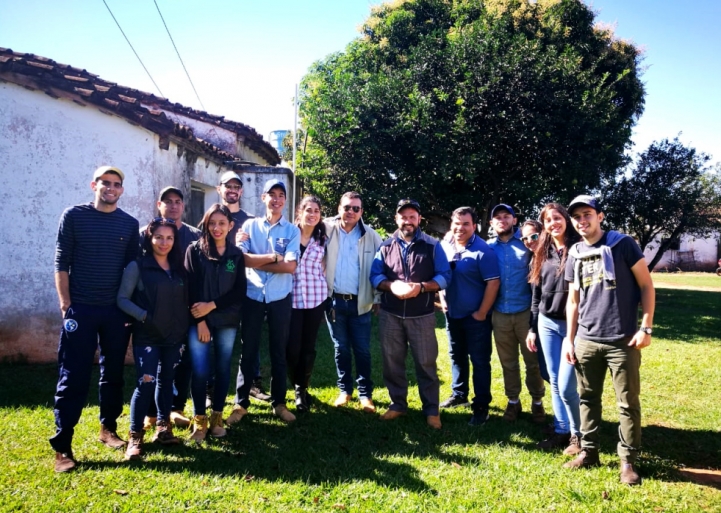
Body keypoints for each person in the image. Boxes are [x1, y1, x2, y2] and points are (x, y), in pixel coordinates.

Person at [562, 195, 655, 486]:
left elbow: (646, 285)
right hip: (586, 340)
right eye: (576, 216)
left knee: (627, 403)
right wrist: (569, 338)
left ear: (600, 216)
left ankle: (628, 461)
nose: (582, 220)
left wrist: (646, 327)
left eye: (587, 214)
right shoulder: (574, 252)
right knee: (587, 399)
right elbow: (573, 301)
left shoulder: (622, 244)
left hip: (622, 340)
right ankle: (589, 452)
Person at [51, 165, 139, 473]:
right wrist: (66, 305)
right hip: (81, 310)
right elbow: (61, 262)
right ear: (94, 185)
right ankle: (62, 446)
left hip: (115, 311)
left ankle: (108, 429)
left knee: (112, 373)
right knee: (73, 375)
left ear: (122, 190)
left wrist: (129, 309)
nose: (111, 188)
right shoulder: (73, 216)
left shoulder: (129, 224)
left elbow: (133, 270)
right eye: (105, 183)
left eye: (116, 184)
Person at [370, 199, 451, 429]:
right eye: (403, 216)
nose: (408, 221)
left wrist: (422, 287)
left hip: (422, 316)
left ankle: (432, 410)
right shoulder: (385, 246)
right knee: (392, 362)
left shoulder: (432, 245)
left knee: (426, 364)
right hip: (391, 314)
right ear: (397, 219)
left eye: (412, 216)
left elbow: (445, 276)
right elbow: (375, 275)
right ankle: (397, 404)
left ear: (419, 219)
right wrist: (390, 286)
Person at [227, 179, 300, 424]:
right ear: (263, 198)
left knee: (279, 351)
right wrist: (272, 257)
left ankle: (279, 403)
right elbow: (243, 260)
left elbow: (290, 267)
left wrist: (258, 259)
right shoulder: (249, 225)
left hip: (280, 297)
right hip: (253, 295)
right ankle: (240, 404)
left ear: (285, 200)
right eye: (272, 194)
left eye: (281, 195)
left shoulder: (292, 231)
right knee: (248, 351)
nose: (276, 199)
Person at [118, 218, 189, 459]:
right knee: (145, 383)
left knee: (167, 381)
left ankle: (163, 428)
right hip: (147, 336)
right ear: (149, 238)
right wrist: (145, 316)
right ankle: (135, 436)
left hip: (174, 336)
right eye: (159, 237)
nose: (164, 242)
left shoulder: (179, 267)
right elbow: (122, 300)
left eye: (169, 238)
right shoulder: (137, 266)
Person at [184, 204, 247, 441]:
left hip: (227, 321)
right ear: (206, 224)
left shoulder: (235, 255)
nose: (217, 228)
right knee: (200, 371)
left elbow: (239, 290)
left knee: (222, 369)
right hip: (199, 321)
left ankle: (217, 417)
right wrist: (200, 320)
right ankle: (199, 420)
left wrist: (213, 305)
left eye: (222, 223)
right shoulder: (195, 251)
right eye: (212, 223)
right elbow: (190, 290)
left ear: (231, 225)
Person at [140, 186, 200, 429]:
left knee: (183, 361)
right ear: (159, 205)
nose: (173, 205)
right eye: (168, 201)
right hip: (154, 312)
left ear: (183, 206)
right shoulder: (147, 234)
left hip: (186, 310)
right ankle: (151, 414)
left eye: (178, 201)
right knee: (154, 365)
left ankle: (176, 408)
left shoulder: (195, 236)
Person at [525, 204, 582, 455]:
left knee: (569, 383)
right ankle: (561, 429)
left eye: (557, 218)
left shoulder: (580, 248)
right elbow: (536, 293)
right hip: (546, 323)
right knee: (556, 381)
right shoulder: (542, 252)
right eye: (548, 220)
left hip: (574, 324)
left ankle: (578, 434)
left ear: (566, 220)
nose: (553, 223)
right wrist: (532, 328)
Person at [439, 207, 500, 426]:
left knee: (480, 361)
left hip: (476, 318)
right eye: (457, 223)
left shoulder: (483, 251)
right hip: (452, 314)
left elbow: (493, 283)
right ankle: (459, 394)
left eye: (466, 224)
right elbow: (440, 274)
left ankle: (481, 406)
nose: (460, 228)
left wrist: (481, 313)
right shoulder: (445, 247)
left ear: (474, 226)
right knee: (456, 355)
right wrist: (443, 299)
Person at [324, 192, 382, 413]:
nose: (351, 212)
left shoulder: (372, 236)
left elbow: (381, 268)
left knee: (362, 350)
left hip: (361, 304)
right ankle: (344, 391)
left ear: (361, 212)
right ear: (339, 208)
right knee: (341, 349)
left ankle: (365, 395)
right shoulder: (327, 231)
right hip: (335, 303)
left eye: (356, 208)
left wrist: (377, 298)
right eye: (347, 207)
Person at [488, 204, 546, 423]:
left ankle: (537, 402)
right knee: (508, 362)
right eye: (497, 217)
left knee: (533, 362)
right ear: (492, 223)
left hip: (525, 312)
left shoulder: (526, 242)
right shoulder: (488, 248)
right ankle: (513, 401)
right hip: (499, 313)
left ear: (514, 220)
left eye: (506, 216)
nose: (502, 220)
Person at [217, 172, 271, 403]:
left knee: (250, 337)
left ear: (241, 191)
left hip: (246, 287)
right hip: (219, 289)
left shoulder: (251, 221)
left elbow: (254, 254)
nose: (232, 190)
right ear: (219, 189)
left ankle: (253, 383)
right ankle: (212, 387)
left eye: (236, 186)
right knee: (215, 339)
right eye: (228, 186)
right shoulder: (212, 217)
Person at [286, 196, 328, 412]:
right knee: (292, 348)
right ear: (299, 213)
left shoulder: (323, 238)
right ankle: (295, 382)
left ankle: (301, 389)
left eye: (316, 211)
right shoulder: (288, 234)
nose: (312, 214)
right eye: (308, 210)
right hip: (291, 299)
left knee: (308, 348)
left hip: (315, 298)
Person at [520, 220, 550, 385]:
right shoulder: (533, 260)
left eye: (534, 235)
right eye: (525, 238)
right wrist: (533, 328)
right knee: (547, 372)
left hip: (561, 324)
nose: (529, 241)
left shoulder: (553, 256)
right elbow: (535, 298)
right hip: (541, 322)